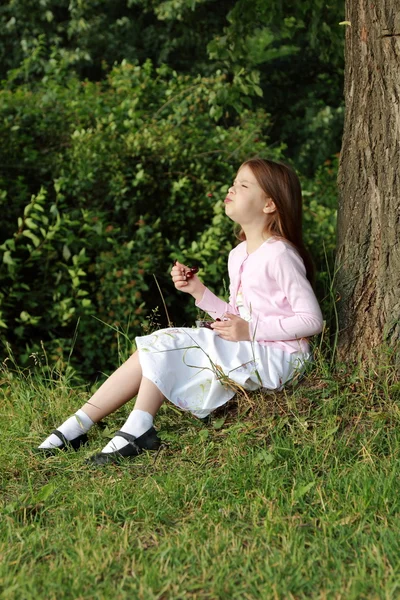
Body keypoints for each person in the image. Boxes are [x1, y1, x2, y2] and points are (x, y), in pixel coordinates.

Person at [37, 158, 323, 465]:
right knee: (154, 348)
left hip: (281, 357)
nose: (231, 188)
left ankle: (138, 427)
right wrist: (198, 291)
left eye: (243, 185)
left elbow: (312, 321)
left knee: (170, 340)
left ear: (269, 204)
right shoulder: (238, 254)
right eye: (234, 182)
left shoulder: (279, 253)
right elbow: (238, 317)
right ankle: (79, 425)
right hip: (251, 346)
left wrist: (249, 331)